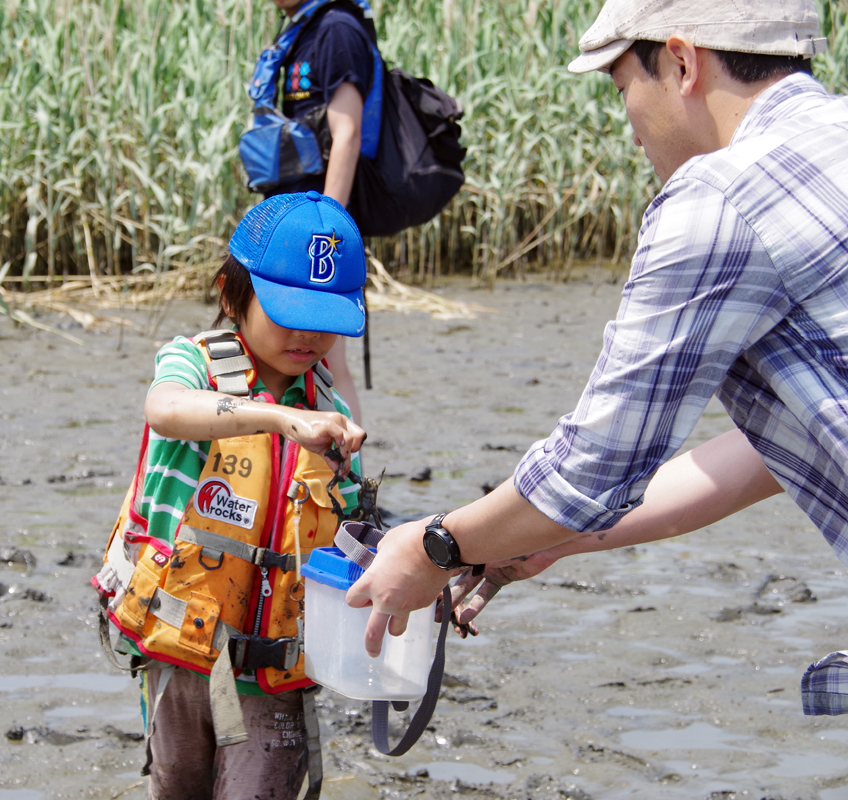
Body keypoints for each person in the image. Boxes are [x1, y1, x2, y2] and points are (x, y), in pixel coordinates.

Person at [344, 0, 848, 712]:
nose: (634, 136)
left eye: (622, 91)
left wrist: (436, 547)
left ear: (681, 62)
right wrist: (553, 540)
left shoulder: (718, 198)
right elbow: (785, 445)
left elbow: (588, 472)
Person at [93, 191, 369, 799]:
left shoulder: (330, 413)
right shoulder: (190, 364)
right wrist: (275, 420)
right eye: (288, 310)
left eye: (326, 319)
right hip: (182, 647)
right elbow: (164, 410)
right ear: (230, 294)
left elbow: (343, 541)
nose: (308, 333)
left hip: (272, 670)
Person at [261, 0, 379, 421]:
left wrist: (327, 232)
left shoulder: (337, 29)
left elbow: (346, 134)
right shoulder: (302, 28)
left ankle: (347, 477)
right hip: (293, 228)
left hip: (318, 239)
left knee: (327, 362)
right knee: (295, 360)